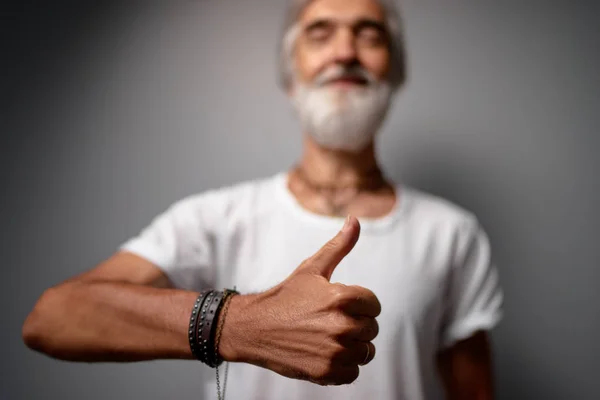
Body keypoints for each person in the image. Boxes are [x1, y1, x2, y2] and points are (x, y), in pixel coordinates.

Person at [22, 0, 503, 399]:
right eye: (319, 33)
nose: (344, 51)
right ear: (290, 74)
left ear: (394, 71)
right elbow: (53, 317)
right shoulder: (215, 218)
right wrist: (235, 324)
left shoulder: (452, 233)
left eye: (369, 34)